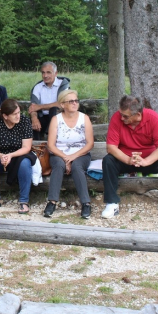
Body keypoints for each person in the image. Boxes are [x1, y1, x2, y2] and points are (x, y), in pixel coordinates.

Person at [101, 95, 158, 222]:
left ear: (138, 115)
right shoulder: (117, 117)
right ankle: (112, 203)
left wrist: (146, 161)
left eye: (126, 116)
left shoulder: (153, 118)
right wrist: (128, 160)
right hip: (125, 159)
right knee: (108, 160)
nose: (121, 118)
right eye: (121, 114)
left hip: (148, 159)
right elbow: (111, 147)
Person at [43, 90, 94, 219]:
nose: (74, 103)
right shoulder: (56, 119)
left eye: (76, 100)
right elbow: (51, 145)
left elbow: (90, 144)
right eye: (71, 101)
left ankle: (86, 203)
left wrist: (72, 157)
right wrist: (65, 157)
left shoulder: (84, 118)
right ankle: (52, 202)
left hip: (81, 154)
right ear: (62, 104)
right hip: (58, 154)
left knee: (77, 166)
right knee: (58, 165)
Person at [0, 99, 34, 214]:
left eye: (19, 112)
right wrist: (1, 156)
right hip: (1, 156)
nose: (18, 116)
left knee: (25, 163)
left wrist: (11, 155)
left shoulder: (24, 121)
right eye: (14, 114)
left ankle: (24, 201)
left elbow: (26, 147)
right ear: (5, 116)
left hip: (19, 155)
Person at [28, 61, 70, 140]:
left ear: (55, 73)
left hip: (59, 117)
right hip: (42, 117)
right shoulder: (37, 87)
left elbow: (62, 104)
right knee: (33, 121)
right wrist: (34, 119)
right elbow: (33, 107)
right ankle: (36, 147)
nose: (45, 75)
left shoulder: (63, 85)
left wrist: (40, 107)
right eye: (43, 73)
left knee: (53, 110)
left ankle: (54, 141)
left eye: (48, 72)